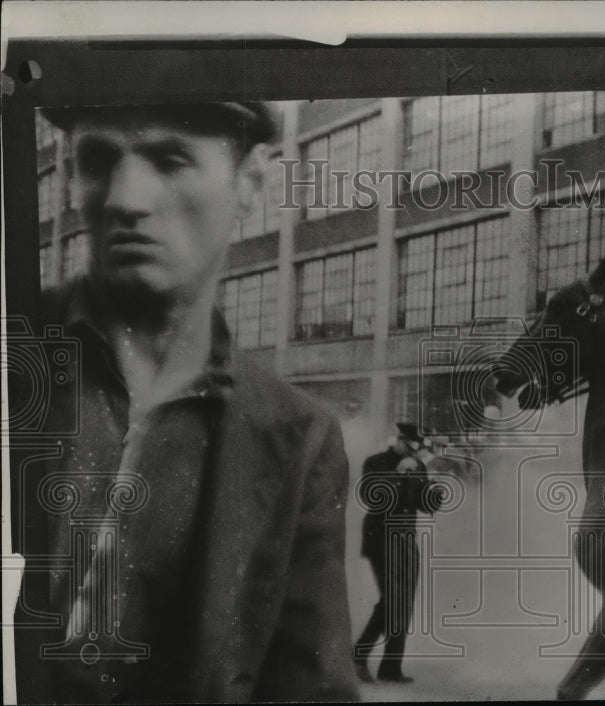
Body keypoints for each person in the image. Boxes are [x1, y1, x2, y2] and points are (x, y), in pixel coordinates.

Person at [11, 101, 358, 701]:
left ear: (250, 180)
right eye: (98, 159)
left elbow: (310, 687)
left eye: (170, 159)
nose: (125, 198)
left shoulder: (297, 438)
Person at [353, 423, 444, 684]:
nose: (414, 453)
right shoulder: (376, 462)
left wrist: (434, 492)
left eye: (417, 449)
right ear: (400, 441)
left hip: (405, 539)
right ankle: (358, 657)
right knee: (394, 599)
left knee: (402, 602)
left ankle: (390, 668)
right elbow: (369, 497)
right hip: (380, 536)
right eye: (411, 447)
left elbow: (424, 505)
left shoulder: (418, 465)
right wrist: (396, 474)